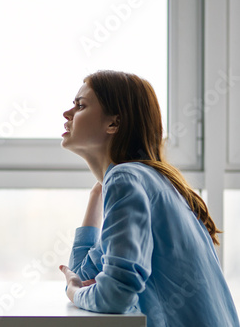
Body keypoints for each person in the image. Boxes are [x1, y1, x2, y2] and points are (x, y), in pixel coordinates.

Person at [58, 70, 239, 327]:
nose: (67, 114)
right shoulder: (142, 180)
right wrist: (97, 192)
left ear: (113, 124)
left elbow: (115, 295)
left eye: (80, 105)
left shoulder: (126, 180)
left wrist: (76, 293)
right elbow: (84, 274)